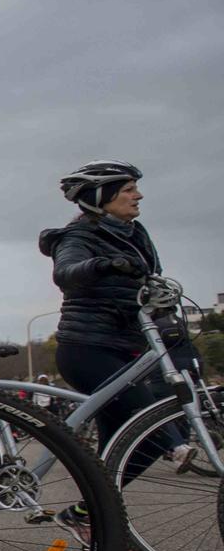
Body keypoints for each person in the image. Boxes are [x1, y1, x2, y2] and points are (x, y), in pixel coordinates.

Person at [41, 161, 210, 480]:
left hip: (128, 345)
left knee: (126, 449)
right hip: (88, 349)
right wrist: (103, 265)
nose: (139, 196)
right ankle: (174, 446)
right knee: (148, 423)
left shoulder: (136, 234)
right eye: (129, 190)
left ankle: (88, 516)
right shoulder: (76, 236)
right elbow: (65, 273)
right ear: (101, 196)